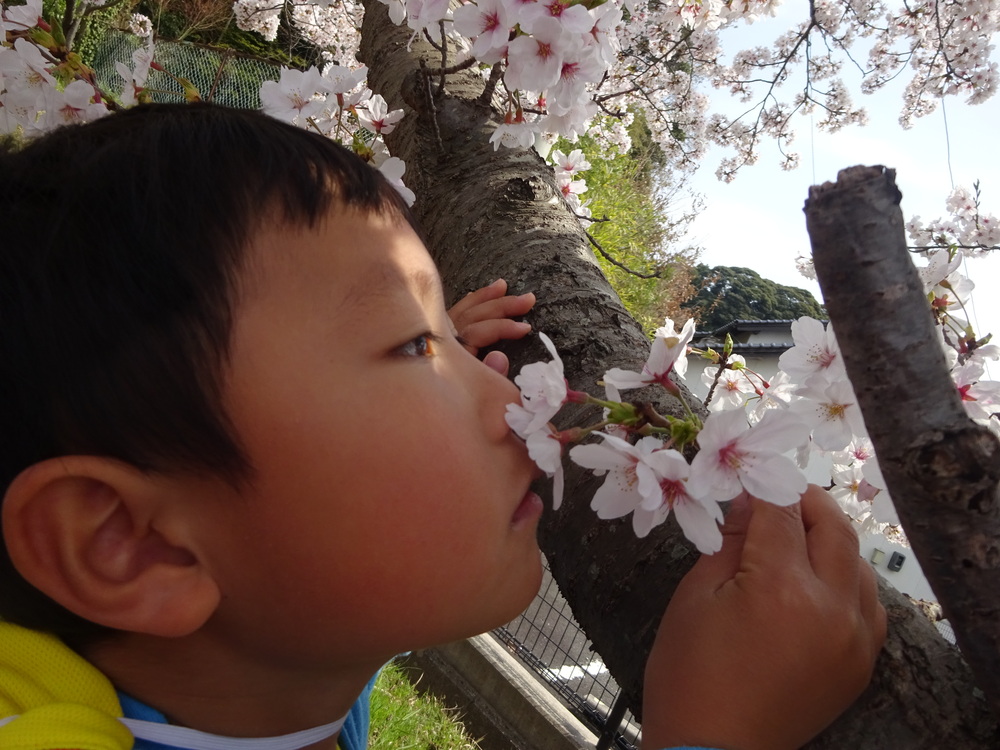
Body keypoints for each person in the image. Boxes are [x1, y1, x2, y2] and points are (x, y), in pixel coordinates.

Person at [0, 102, 885, 750]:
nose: (513, 400)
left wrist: (424, 350)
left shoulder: (271, 664)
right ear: (134, 544)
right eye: (407, 341)